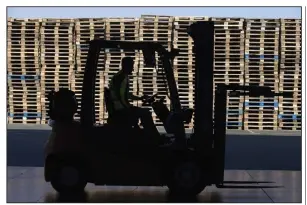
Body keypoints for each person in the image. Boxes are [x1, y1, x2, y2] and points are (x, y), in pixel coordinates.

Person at [109, 57, 163, 144]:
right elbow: (120, 97)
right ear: (126, 66)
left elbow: (126, 95)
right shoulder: (120, 78)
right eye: (131, 66)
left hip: (121, 107)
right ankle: (156, 140)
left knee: (143, 112)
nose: (133, 68)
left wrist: (140, 98)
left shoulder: (123, 76)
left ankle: (153, 137)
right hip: (120, 109)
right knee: (146, 113)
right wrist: (129, 108)